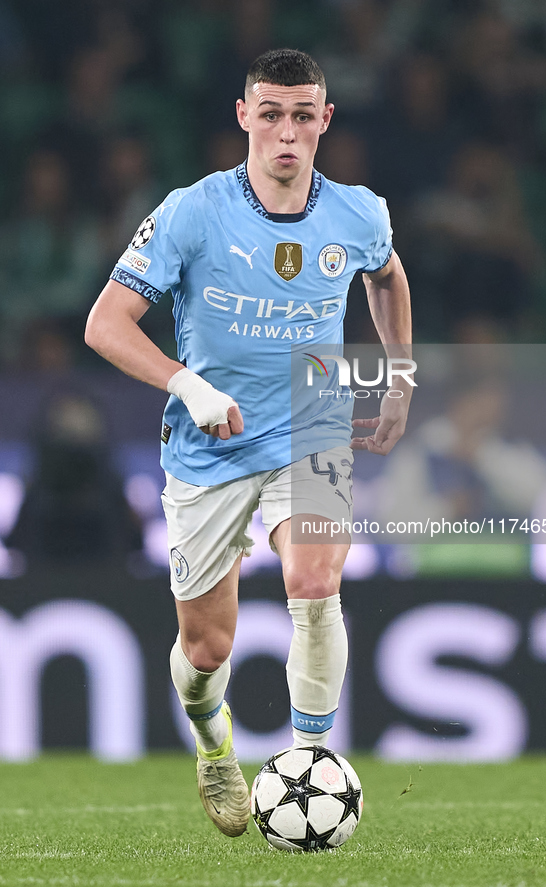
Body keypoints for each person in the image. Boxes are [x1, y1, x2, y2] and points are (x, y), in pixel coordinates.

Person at [85, 48, 412, 839]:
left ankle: (308, 759)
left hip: (313, 414)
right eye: (270, 114)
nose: (286, 133)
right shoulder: (192, 212)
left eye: (303, 116)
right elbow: (104, 325)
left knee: (312, 577)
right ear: (244, 117)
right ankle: (213, 744)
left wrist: (397, 375)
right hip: (210, 443)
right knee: (206, 649)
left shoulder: (359, 212)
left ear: (324, 121)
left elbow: (385, 275)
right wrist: (186, 384)